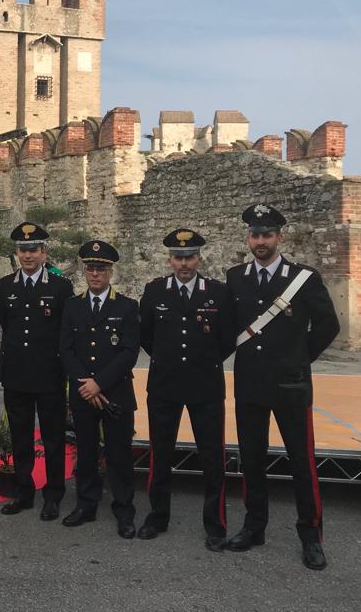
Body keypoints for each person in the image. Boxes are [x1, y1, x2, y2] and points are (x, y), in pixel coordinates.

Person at [226, 204, 339, 570]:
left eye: (267, 234)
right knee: (253, 460)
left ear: (279, 237)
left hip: (291, 384)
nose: (261, 241)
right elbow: (230, 328)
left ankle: (311, 536)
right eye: (255, 235)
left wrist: (298, 358)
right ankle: (254, 526)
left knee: (302, 464)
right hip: (251, 385)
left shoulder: (303, 278)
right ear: (249, 238)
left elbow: (328, 325)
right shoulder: (235, 278)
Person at [137, 229, 234, 551]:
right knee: (160, 453)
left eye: (190, 256)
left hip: (205, 384)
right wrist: (169, 361)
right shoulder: (154, 291)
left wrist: (200, 361)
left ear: (199, 258)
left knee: (212, 457)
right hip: (164, 383)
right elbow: (147, 337)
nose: (184, 263)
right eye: (178, 257)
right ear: (169, 259)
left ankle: (215, 523)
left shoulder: (217, 293)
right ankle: (157, 515)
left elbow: (227, 338)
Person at [58, 240, 140, 537]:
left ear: (110, 272)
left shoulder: (127, 307)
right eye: (91, 268)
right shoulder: (72, 306)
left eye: (101, 269)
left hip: (115, 392)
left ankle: (124, 510)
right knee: (87, 452)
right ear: (84, 271)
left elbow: (129, 352)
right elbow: (66, 349)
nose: (95, 274)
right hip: (82, 393)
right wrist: (86, 384)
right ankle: (86, 504)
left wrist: (99, 383)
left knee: (119, 454)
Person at [0, 223, 72, 520]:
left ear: (44, 252)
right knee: (20, 436)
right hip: (16, 373)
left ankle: (53, 495)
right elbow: (6, 323)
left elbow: (65, 331)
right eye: (23, 250)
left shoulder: (60, 286)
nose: (28, 255)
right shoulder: (5, 286)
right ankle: (24, 492)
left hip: (49, 373)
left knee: (53, 437)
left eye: (33, 250)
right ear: (16, 253)